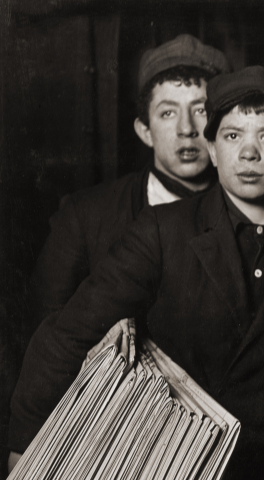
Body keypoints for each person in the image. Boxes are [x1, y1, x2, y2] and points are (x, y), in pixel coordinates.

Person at [9, 66, 264, 479]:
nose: (249, 152)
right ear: (213, 150)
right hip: (173, 454)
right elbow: (67, 335)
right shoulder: (164, 229)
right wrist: (24, 446)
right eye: (233, 136)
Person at [30, 34, 230, 328]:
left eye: (201, 110)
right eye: (168, 112)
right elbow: (43, 331)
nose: (186, 128)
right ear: (145, 130)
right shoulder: (84, 217)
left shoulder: (252, 211)